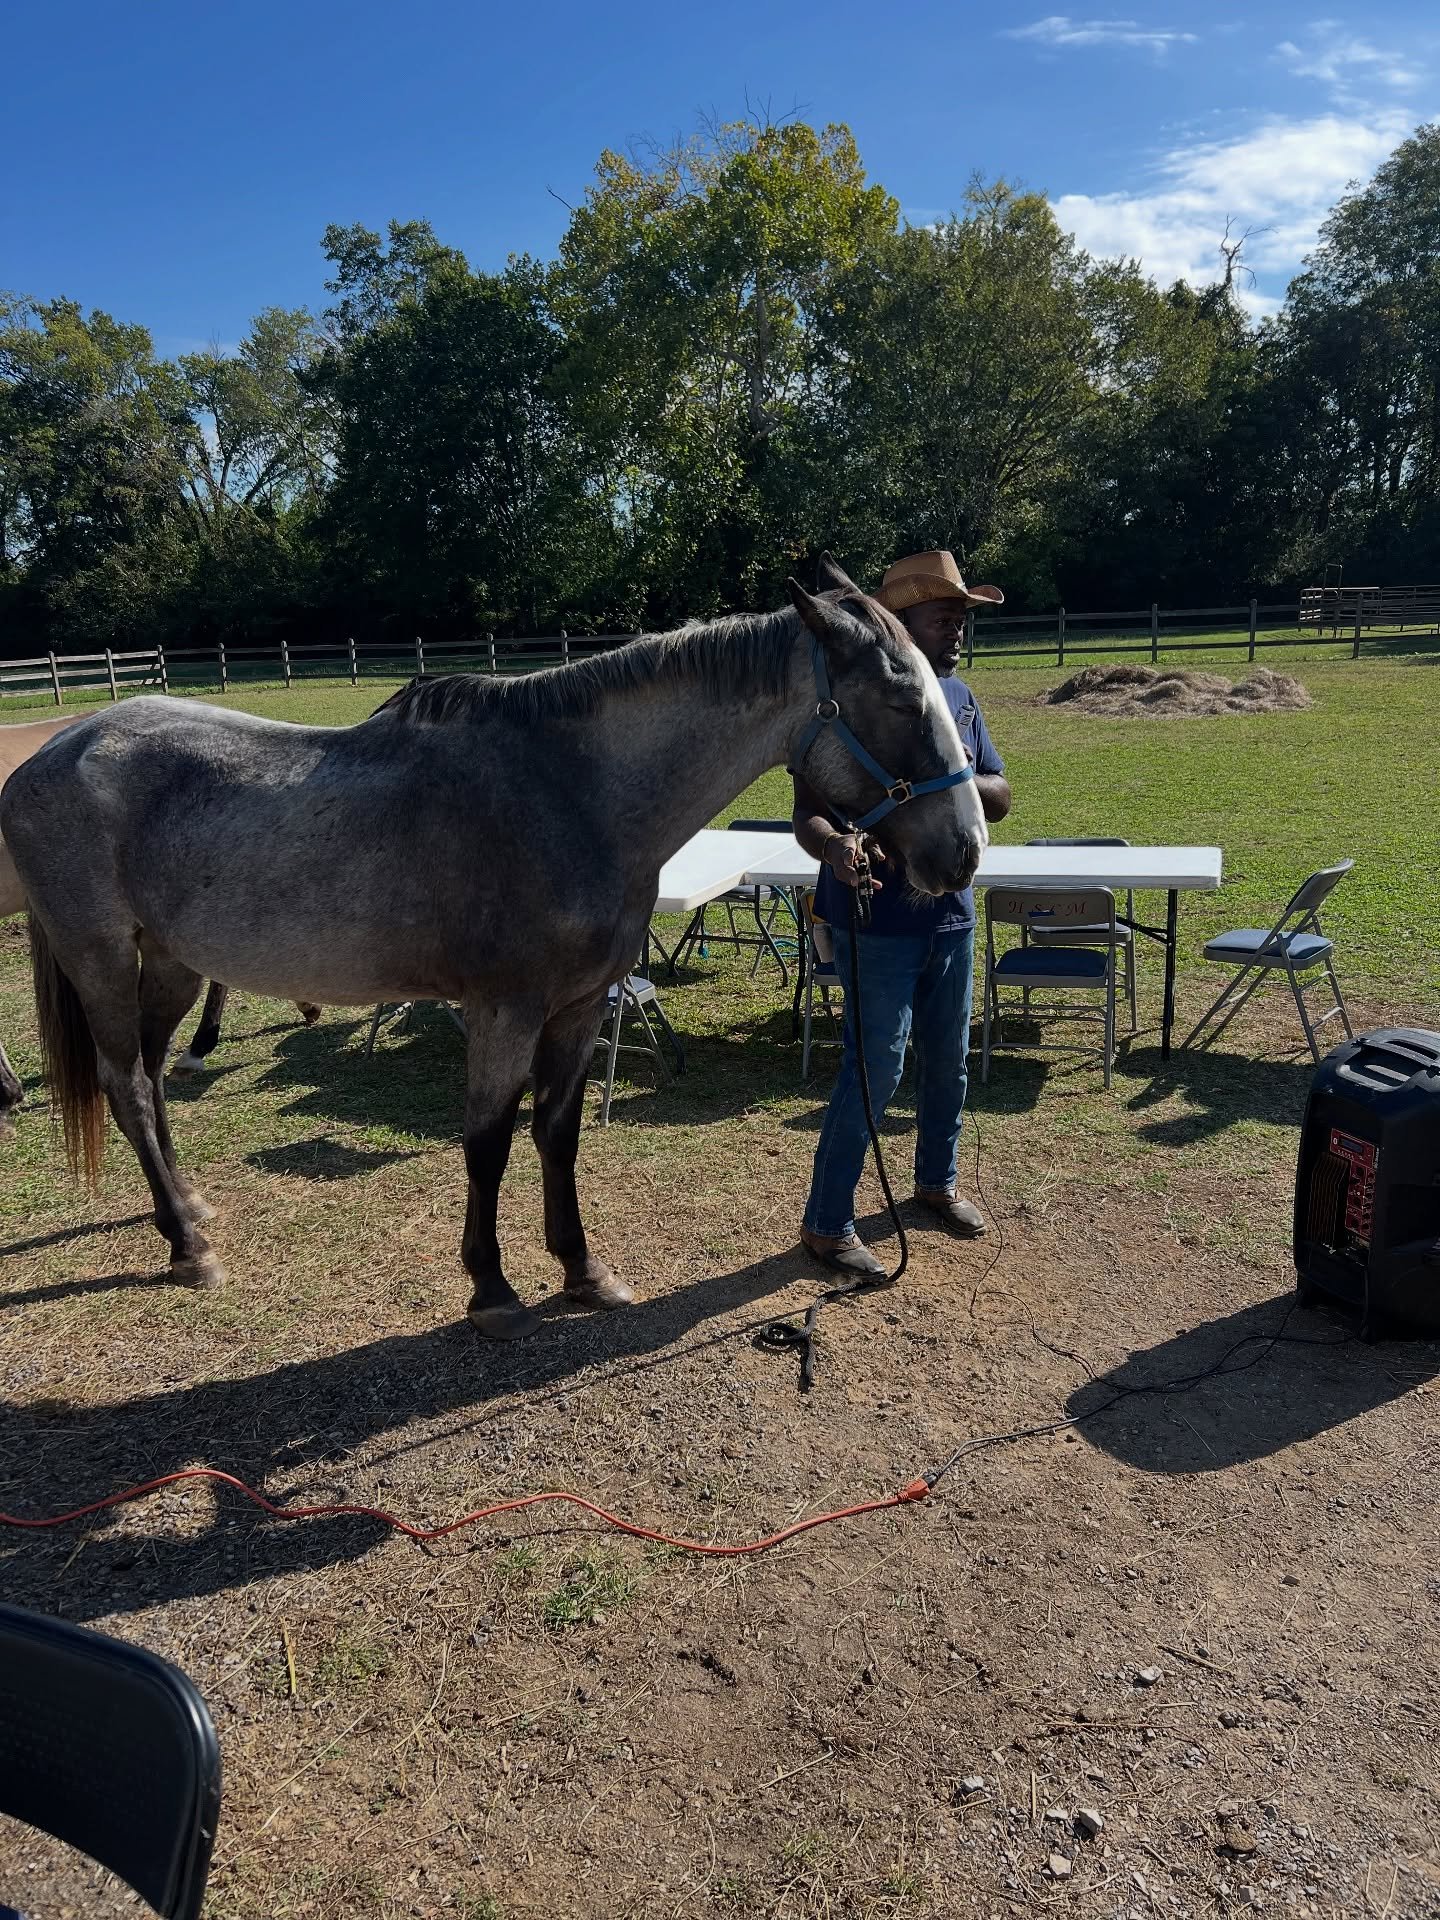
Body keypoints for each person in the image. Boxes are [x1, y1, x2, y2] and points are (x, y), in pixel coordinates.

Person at [793, 550, 1012, 1277]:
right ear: (899, 623)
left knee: (948, 1063)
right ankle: (826, 1222)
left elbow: (1003, 795)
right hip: (875, 917)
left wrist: (943, 787)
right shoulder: (856, 701)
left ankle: (935, 1183)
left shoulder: (962, 699)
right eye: (943, 616)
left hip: (951, 912)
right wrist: (836, 850)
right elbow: (809, 817)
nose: (956, 630)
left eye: (961, 619)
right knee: (875, 1068)